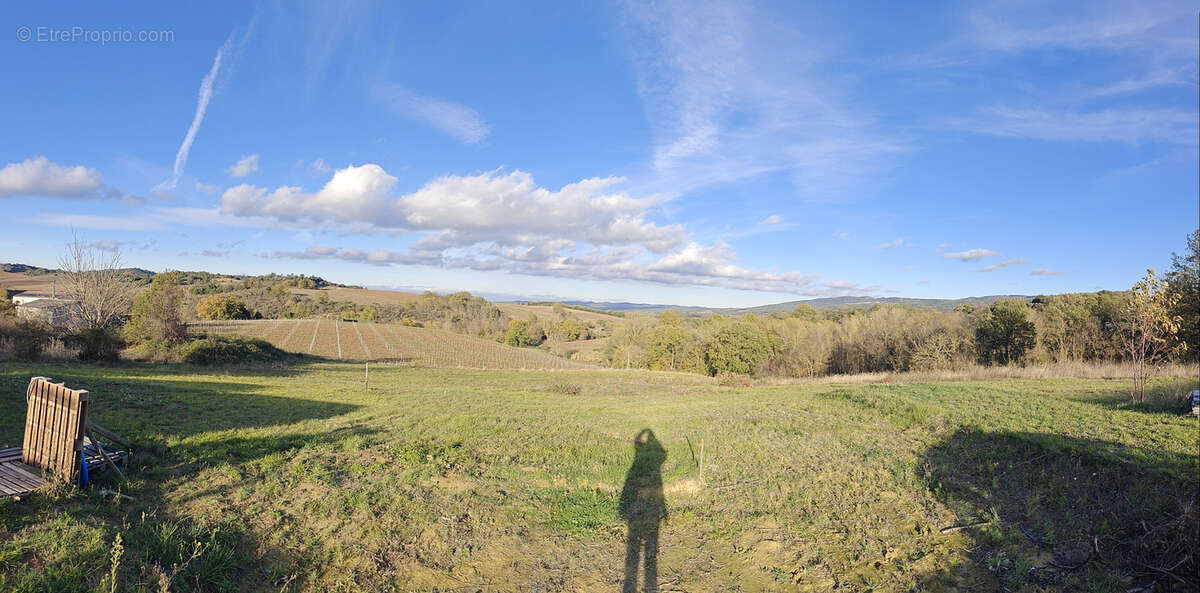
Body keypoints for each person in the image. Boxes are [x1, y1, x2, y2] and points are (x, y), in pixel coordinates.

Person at [619, 429, 667, 593]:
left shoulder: (637, 464)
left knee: (639, 552)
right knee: (648, 555)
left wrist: (644, 432)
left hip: (643, 518)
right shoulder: (653, 465)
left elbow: (638, 442)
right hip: (649, 517)